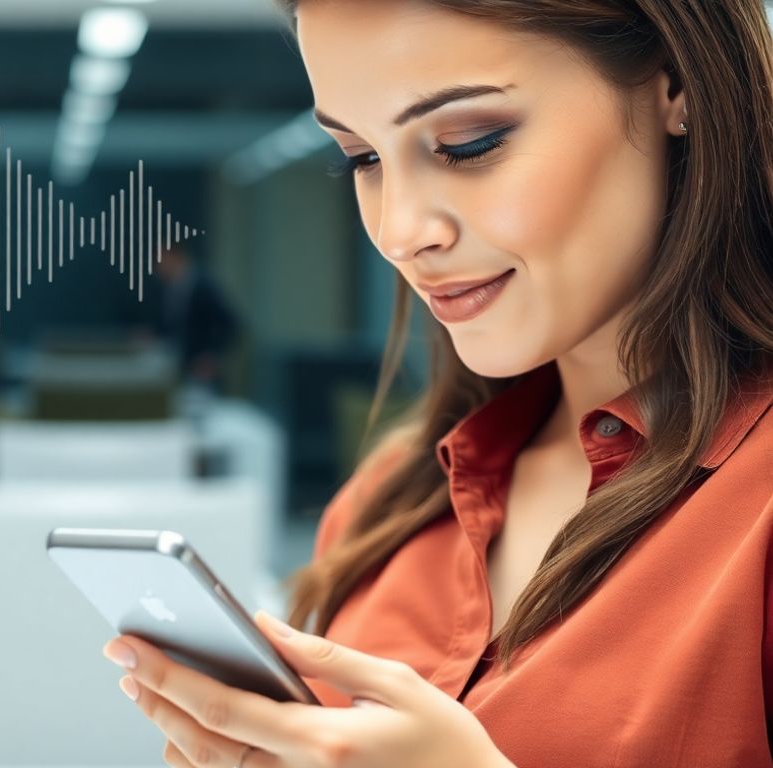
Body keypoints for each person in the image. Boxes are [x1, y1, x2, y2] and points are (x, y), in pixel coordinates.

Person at [99, 1, 773, 766]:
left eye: (468, 143)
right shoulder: (385, 498)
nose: (399, 231)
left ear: (676, 85)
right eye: (361, 158)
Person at [149, 242, 239, 389]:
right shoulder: (165, 290)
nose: (157, 268)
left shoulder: (203, 287)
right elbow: (168, 327)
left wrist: (212, 356)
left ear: (176, 257)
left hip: (201, 370)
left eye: (160, 261)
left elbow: (230, 325)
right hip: (175, 367)